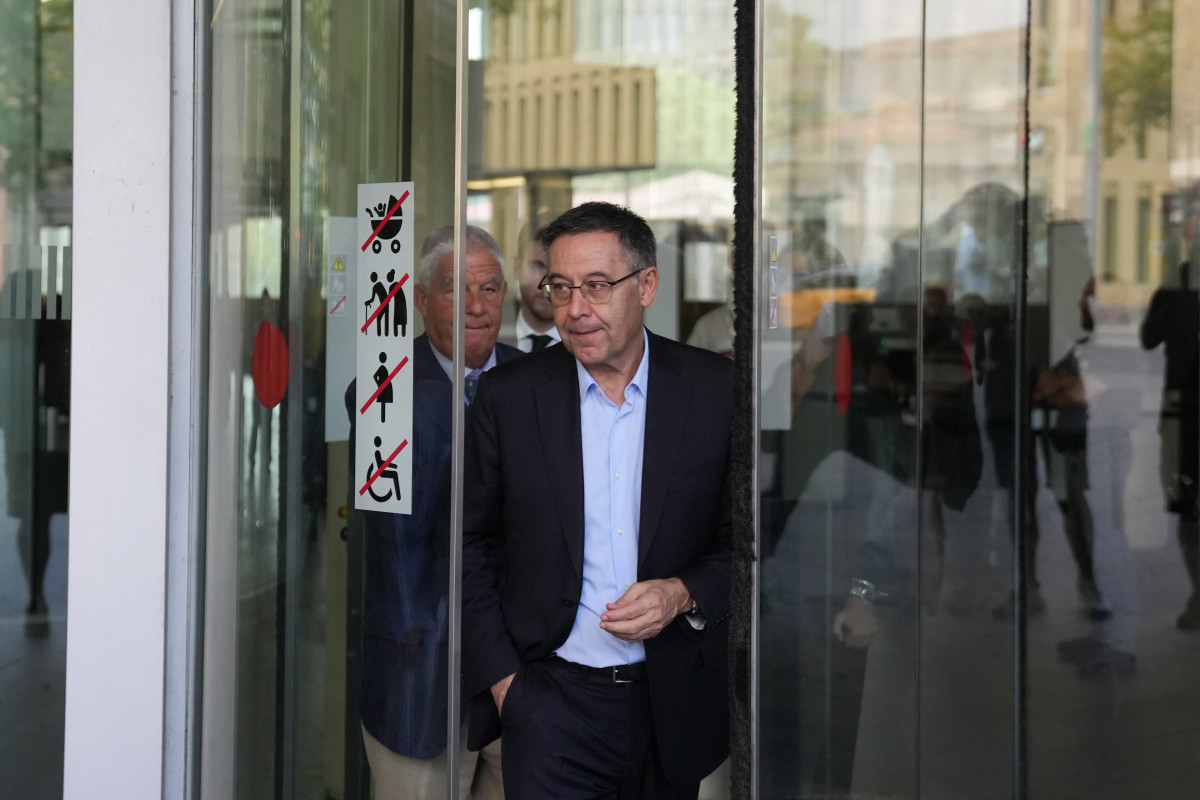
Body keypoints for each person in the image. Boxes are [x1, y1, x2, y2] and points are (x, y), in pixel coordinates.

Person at [462, 202, 733, 798]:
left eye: (597, 286)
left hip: (671, 705)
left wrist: (682, 592)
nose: (575, 309)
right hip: (548, 703)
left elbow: (746, 540)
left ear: (647, 285)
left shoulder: (714, 392)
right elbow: (471, 543)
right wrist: (506, 684)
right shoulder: (510, 398)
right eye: (560, 288)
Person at [347, 224, 520, 800]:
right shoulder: (382, 392)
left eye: (489, 288)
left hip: (520, 677)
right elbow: (402, 531)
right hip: (420, 670)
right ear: (421, 299)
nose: (476, 306)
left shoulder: (540, 380)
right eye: (455, 288)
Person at [1140, 251, 1200, 630]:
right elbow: (1148, 338)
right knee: (1185, 506)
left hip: (1181, 407)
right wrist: (1172, 296)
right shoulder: (1175, 287)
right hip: (1182, 408)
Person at [511, 231, 561, 352]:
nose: (546, 284)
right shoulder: (492, 334)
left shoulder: (590, 348)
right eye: (537, 267)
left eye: (558, 270)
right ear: (517, 267)